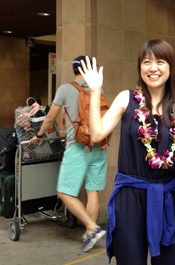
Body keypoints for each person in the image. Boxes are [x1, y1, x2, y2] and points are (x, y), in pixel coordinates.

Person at [78, 40, 175, 265]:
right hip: (130, 198)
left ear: (170, 67)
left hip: (168, 197)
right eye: (146, 62)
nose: (153, 68)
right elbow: (97, 134)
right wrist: (94, 92)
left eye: (160, 62)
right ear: (140, 67)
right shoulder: (126, 99)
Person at [29, 56, 107, 252]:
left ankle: (92, 227)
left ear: (74, 70)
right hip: (99, 146)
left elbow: (50, 118)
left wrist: (39, 135)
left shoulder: (65, 88)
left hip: (78, 147)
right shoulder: (98, 89)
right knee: (92, 191)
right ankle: (91, 233)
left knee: (64, 192)